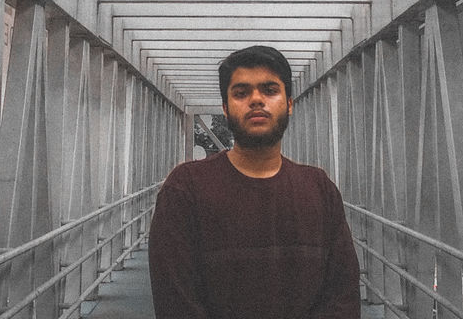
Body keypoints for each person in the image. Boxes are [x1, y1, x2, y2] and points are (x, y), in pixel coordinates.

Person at [148, 45, 360, 319]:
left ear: (290, 104)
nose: (256, 99)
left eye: (270, 90)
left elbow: (342, 295)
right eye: (241, 93)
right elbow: (175, 302)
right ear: (225, 108)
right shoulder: (185, 189)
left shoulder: (319, 189)